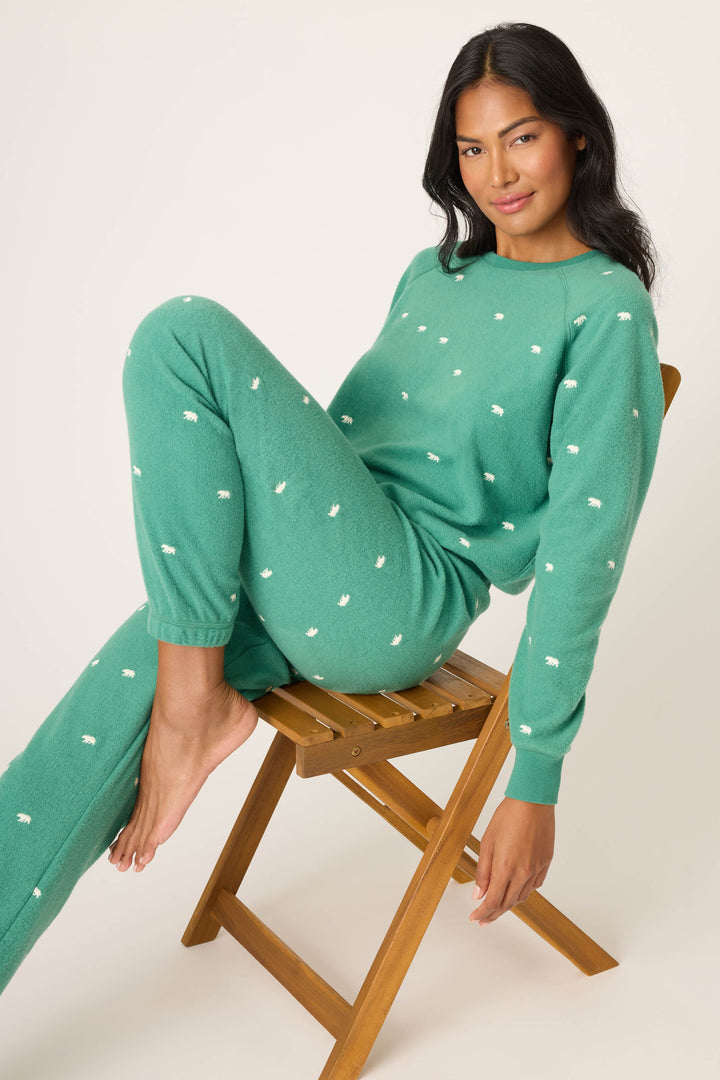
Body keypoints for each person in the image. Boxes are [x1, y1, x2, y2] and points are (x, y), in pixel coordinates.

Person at [0, 20, 666, 995]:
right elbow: (360, 447)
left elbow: (584, 549)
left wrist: (535, 779)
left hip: (400, 602)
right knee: (83, 735)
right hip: (320, 562)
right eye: (471, 148)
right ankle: (187, 696)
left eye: (521, 137)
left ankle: (193, 702)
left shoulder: (606, 308)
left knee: (182, 334)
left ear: (576, 134)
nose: (497, 173)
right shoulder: (434, 274)